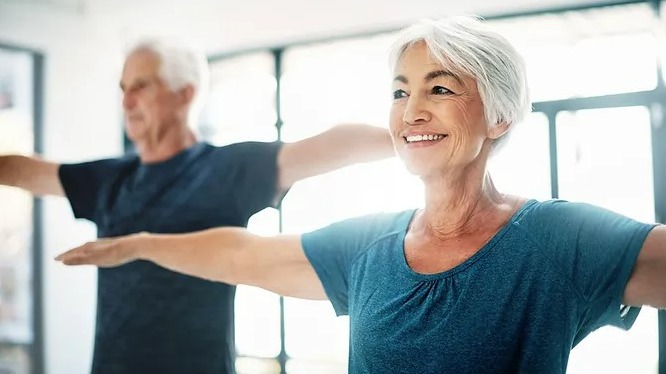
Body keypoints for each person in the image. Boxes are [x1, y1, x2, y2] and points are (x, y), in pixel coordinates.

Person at [56, 17, 666, 374]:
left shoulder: (560, 240)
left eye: (441, 88)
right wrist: (138, 243)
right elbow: (245, 255)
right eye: (401, 93)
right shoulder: (371, 244)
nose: (413, 110)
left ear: (500, 117)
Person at [0, 38, 395, 374]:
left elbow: (331, 145)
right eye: (122, 88)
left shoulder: (226, 169)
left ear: (184, 93)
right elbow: (24, 172)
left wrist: (421, 139)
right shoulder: (110, 179)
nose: (127, 100)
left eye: (140, 86)